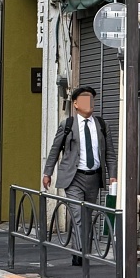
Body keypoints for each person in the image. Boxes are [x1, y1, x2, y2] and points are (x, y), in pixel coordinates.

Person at [43, 86, 117, 266]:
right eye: (85, 100)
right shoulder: (67, 125)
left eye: (92, 99)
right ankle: (82, 255)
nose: (89, 103)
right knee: (79, 216)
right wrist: (47, 172)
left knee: (87, 216)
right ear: (76, 104)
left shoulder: (101, 125)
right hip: (73, 177)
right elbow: (55, 150)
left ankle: (81, 252)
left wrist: (112, 175)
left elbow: (109, 153)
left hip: (94, 177)